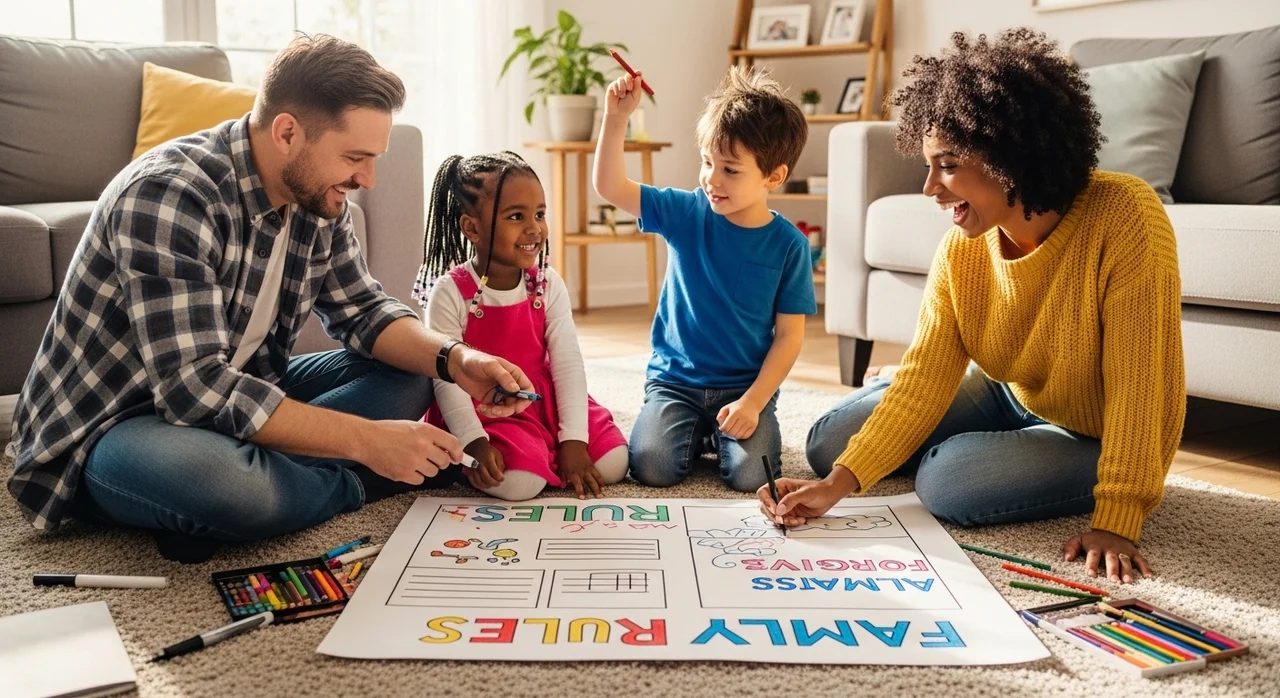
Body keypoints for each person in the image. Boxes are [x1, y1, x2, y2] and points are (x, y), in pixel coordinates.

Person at [6, 35, 535, 563]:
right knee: (226, 484)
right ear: (287, 133)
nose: (367, 179)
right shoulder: (169, 194)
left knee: (416, 373)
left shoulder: (316, 196)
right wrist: (367, 443)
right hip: (117, 425)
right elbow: (194, 388)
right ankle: (341, 485)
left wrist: (457, 359)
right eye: (355, 157)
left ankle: (239, 502)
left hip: (241, 390)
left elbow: (365, 312)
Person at [759, 29, 1185, 585]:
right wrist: (837, 486)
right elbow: (925, 378)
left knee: (949, 482)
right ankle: (939, 436)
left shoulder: (1126, 216)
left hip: (1095, 429)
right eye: (928, 165)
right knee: (829, 445)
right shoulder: (960, 251)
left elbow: (1140, 381)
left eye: (948, 164)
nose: (930, 188)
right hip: (1012, 391)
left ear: (1012, 156)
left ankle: (973, 451)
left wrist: (1119, 516)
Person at [594, 66, 816, 492]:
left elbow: (790, 337)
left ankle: (716, 433)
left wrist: (753, 402)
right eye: (707, 162)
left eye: (730, 170)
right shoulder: (684, 212)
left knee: (752, 478)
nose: (712, 179)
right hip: (675, 383)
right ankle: (699, 433)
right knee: (652, 467)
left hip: (745, 387)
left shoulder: (790, 245)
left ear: (773, 176)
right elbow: (610, 186)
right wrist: (616, 118)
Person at [413, 151, 628, 501]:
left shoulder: (546, 283)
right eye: (517, 216)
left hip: (543, 400)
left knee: (615, 463)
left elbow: (567, 363)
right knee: (520, 485)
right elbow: (446, 378)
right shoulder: (450, 292)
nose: (534, 228)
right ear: (472, 228)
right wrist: (474, 441)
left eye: (540, 214)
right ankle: (526, 457)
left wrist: (574, 440)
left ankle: (551, 449)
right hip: (487, 409)